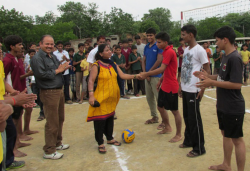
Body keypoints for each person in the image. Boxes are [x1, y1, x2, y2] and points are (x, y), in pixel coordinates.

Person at [194, 26, 246, 171]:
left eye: (217, 41)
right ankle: (226, 164)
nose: (215, 44)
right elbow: (222, 77)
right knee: (225, 134)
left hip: (233, 106)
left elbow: (236, 84)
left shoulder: (235, 58)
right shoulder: (225, 56)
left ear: (225, 40)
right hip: (223, 105)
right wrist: (207, 76)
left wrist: (212, 83)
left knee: (237, 139)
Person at [87, 44, 141, 153]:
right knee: (99, 120)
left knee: (109, 118)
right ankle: (100, 142)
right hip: (101, 97)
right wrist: (91, 96)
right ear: (101, 54)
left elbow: (122, 75)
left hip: (111, 98)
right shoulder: (96, 65)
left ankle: (110, 138)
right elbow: (91, 81)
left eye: (109, 50)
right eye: (107, 50)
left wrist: (136, 76)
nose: (109, 51)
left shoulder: (113, 64)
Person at [31, 35, 70, 160]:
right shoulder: (37, 58)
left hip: (58, 90)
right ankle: (49, 150)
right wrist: (58, 70)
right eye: (47, 44)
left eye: (51, 44)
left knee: (60, 119)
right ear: (40, 44)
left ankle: (57, 143)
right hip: (48, 92)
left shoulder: (52, 56)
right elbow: (41, 74)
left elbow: (58, 69)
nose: (50, 46)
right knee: (52, 122)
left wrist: (63, 68)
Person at [140, 32, 182, 142]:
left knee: (175, 111)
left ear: (165, 42)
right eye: (157, 42)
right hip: (165, 85)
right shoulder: (165, 51)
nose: (157, 44)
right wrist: (161, 81)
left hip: (172, 86)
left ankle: (178, 134)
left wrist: (146, 74)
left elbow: (162, 68)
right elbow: (167, 70)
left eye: (159, 42)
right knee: (160, 107)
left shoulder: (169, 52)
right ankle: (167, 126)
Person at [179, 25, 210, 157]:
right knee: (187, 116)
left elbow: (207, 70)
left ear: (191, 35)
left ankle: (199, 148)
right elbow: (185, 68)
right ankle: (189, 140)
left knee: (194, 118)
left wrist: (202, 89)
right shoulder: (186, 50)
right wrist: (181, 85)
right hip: (186, 88)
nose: (182, 37)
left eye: (184, 34)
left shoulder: (200, 50)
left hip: (194, 89)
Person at [3, 35, 37, 158]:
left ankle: (18, 140)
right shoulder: (7, 60)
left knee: (19, 116)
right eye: (19, 44)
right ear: (12, 46)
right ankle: (13, 148)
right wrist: (10, 93)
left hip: (18, 92)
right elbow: (4, 79)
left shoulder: (16, 59)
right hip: (14, 95)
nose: (22, 47)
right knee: (13, 120)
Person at [142, 28, 163, 126]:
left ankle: (164, 120)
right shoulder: (146, 46)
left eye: (151, 35)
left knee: (159, 98)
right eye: (148, 35)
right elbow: (144, 60)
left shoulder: (158, 46)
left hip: (156, 76)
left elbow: (159, 61)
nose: (149, 37)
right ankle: (154, 117)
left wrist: (148, 73)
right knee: (149, 97)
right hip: (148, 76)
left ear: (155, 35)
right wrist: (145, 73)